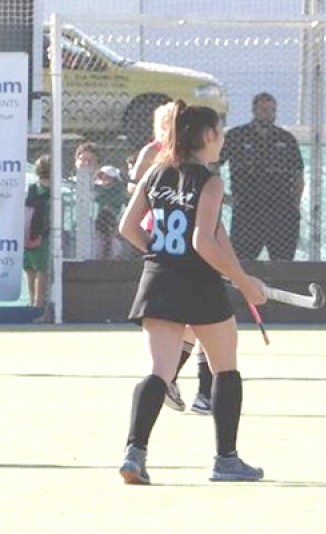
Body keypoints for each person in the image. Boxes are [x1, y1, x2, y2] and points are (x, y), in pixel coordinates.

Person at [118, 99, 266, 484]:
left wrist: (160, 253)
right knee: (225, 368)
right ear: (208, 135)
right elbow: (203, 241)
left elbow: (128, 227)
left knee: (159, 372)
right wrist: (244, 283)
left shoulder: (154, 174)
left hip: (158, 280)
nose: (222, 140)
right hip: (199, 284)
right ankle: (226, 460)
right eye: (220, 133)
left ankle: (134, 455)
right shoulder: (210, 181)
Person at [129, 102, 214, 414]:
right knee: (202, 324)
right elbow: (134, 198)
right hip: (170, 246)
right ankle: (195, 390)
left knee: (192, 326)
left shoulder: (198, 166)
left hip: (177, 250)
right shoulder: (156, 156)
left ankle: (193, 389)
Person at [219, 92, 304, 261]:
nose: (268, 114)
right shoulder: (236, 136)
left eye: (272, 110)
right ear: (254, 110)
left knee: (283, 265)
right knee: (242, 262)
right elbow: (213, 165)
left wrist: (294, 205)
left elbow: (298, 176)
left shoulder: (286, 139)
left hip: (281, 213)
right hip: (248, 211)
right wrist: (223, 197)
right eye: (264, 110)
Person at [24, 154, 52, 322]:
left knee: (41, 270)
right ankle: (33, 302)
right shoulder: (32, 189)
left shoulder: (54, 192)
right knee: (30, 269)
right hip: (30, 232)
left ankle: (38, 304)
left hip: (45, 234)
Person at [93, 165, 129, 259]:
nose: (104, 179)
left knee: (114, 246)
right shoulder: (96, 189)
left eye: (108, 177)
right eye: (102, 176)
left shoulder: (119, 192)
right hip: (97, 222)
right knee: (98, 246)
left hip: (114, 222)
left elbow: (126, 206)